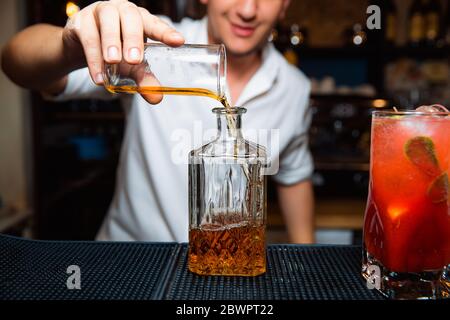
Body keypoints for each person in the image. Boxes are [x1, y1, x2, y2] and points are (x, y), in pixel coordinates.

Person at [2, 0, 315, 243]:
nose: (248, 9)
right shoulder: (154, 46)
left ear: (286, 5)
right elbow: (16, 63)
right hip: (130, 265)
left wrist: (307, 271)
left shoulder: (293, 88)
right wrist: (70, 47)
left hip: (225, 274)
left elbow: (294, 176)